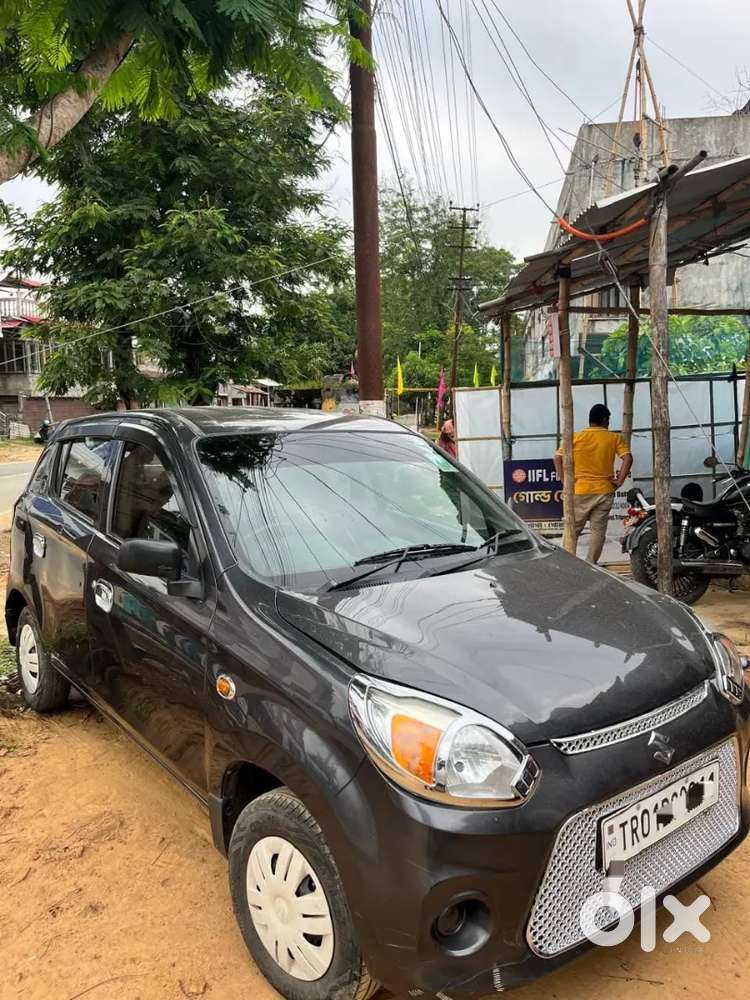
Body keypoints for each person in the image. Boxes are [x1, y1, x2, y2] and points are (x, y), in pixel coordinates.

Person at [553, 403, 633, 564]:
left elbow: (557, 458)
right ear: (604, 420)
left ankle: (567, 564)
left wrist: (564, 480)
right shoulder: (614, 438)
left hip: (579, 491)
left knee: (572, 532)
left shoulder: (575, 437)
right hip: (604, 491)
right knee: (598, 532)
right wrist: (619, 481)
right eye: (608, 420)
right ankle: (591, 563)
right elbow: (628, 458)